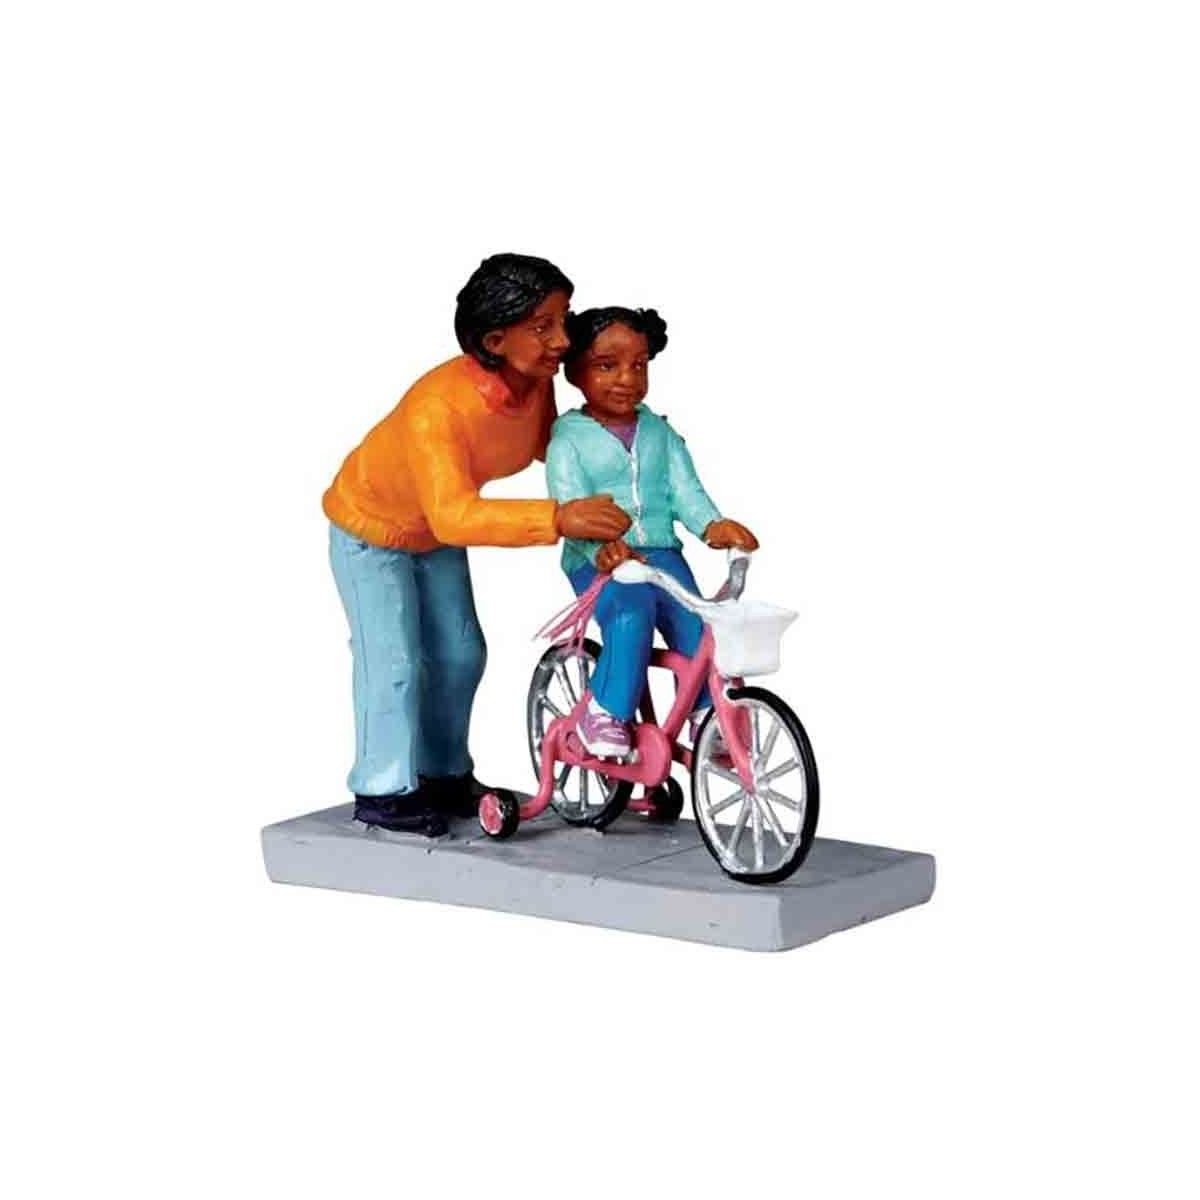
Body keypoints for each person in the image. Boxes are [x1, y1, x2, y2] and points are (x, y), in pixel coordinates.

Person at [324, 255, 630, 835]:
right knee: (394, 662)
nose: (563, 340)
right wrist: (559, 519)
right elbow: (455, 516)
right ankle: (382, 788)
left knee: (462, 653)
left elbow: (552, 451)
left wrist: (619, 460)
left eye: (562, 319)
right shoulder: (436, 409)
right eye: (542, 326)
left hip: (432, 532)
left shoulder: (534, 383)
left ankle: (442, 772)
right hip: (372, 527)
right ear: (495, 339)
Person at [545, 306, 758, 759]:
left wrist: (711, 524)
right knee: (631, 614)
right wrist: (600, 548)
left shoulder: (659, 432)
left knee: (699, 624)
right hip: (600, 559)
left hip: (661, 552)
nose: (627, 378)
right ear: (574, 372)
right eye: (607, 366)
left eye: (639, 365)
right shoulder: (568, 440)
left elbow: (685, 490)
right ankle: (604, 710)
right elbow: (571, 505)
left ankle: (708, 713)